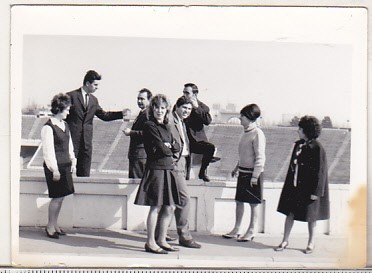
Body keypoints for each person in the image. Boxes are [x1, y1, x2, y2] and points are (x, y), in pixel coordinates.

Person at [275, 115, 330, 254]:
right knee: (290, 213)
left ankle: (311, 243)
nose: (297, 130)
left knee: (312, 217)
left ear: (307, 130)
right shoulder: (298, 145)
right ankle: (285, 240)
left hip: (309, 190)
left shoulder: (317, 148)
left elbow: (320, 172)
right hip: (295, 188)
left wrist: (316, 192)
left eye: (300, 128)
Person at [134, 94, 181, 254]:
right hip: (156, 169)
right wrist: (167, 146)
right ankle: (150, 242)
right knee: (156, 206)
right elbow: (163, 148)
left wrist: (168, 145)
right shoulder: (149, 125)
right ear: (152, 108)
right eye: (156, 107)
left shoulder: (166, 126)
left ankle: (161, 240)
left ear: (166, 109)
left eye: (162, 107)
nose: (159, 111)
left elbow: (176, 147)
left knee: (169, 207)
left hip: (168, 168)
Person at [156, 96, 202, 249]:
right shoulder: (169, 119)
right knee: (184, 199)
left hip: (182, 164)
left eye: (189, 109)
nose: (187, 111)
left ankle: (159, 234)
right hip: (174, 164)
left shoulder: (182, 122)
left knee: (170, 200)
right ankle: (184, 236)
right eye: (184, 108)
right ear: (177, 107)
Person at [66, 70, 127, 177]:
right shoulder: (71, 96)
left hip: (86, 143)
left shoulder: (94, 100)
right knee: (67, 172)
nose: (97, 87)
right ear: (87, 83)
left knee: (84, 174)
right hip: (71, 141)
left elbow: (104, 115)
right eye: (95, 84)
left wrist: (121, 114)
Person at [223, 104, 266, 242]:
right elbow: (244, 155)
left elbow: (260, 157)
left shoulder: (258, 133)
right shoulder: (245, 132)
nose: (240, 118)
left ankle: (252, 230)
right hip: (243, 172)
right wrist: (236, 168)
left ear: (249, 117)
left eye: (242, 116)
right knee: (239, 201)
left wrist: (255, 176)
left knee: (253, 204)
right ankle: (237, 229)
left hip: (253, 174)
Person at [41, 93, 76, 239]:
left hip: (65, 166)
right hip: (54, 168)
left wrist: (73, 160)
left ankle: (55, 224)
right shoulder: (48, 127)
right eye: (67, 109)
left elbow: (69, 146)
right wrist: (54, 169)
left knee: (61, 197)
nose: (68, 112)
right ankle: (49, 226)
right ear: (59, 109)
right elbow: (48, 151)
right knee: (56, 197)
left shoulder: (65, 124)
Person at [183, 83, 220, 182]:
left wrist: (196, 108)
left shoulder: (203, 107)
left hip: (196, 140)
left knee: (210, 148)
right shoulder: (180, 104)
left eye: (187, 93)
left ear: (194, 95)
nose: (184, 95)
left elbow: (208, 121)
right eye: (184, 92)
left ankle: (202, 172)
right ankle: (185, 177)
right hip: (183, 139)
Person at [122, 88, 152, 178]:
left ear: (149, 100)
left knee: (136, 184)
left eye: (142, 99)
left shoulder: (148, 114)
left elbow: (148, 133)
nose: (139, 101)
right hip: (137, 155)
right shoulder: (142, 113)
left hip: (141, 155)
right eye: (138, 99)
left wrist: (131, 132)